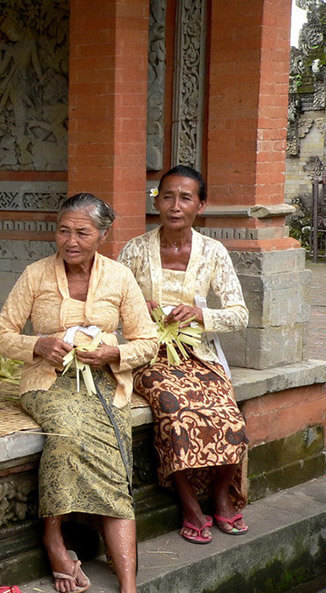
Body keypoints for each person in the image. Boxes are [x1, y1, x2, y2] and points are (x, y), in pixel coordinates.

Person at [0, 193, 158, 593]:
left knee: (115, 456)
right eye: (64, 231)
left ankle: (129, 586)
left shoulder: (119, 277)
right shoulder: (36, 274)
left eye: (82, 232)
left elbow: (148, 341)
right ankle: (53, 538)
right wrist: (38, 345)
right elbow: (0, 335)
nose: (71, 241)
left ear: (102, 234)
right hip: (48, 382)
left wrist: (113, 352)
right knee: (65, 433)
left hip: (105, 381)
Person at [117, 165, 250, 545]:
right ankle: (189, 502)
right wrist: (138, 307)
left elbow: (240, 314)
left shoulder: (213, 252)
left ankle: (221, 494)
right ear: (156, 202)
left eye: (186, 198)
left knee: (229, 414)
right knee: (174, 411)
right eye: (167, 196)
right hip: (150, 355)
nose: (175, 205)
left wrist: (200, 314)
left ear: (200, 205)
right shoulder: (136, 250)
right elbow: (109, 305)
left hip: (200, 355)